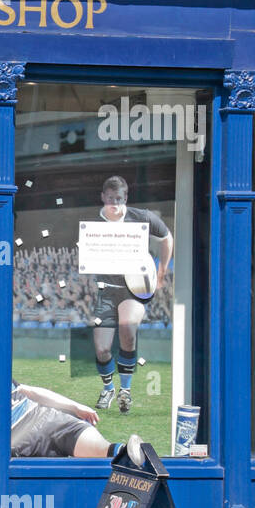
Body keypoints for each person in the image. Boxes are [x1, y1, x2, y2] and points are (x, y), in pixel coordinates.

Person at [89, 176, 174, 414]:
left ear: (125, 198)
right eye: (110, 198)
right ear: (103, 197)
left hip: (134, 288)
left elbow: (167, 237)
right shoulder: (94, 224)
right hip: (106, 289)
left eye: (119, 198)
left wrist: (162, 271)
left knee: (127, 327)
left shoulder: (143, 217)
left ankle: (125, 391)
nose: (114, 203)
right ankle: (108, 389)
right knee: (102, 349)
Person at [0, 346, 120, 458]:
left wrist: (75, 406)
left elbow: (32, 392)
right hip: (23, 445)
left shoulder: (0, 381)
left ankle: (133, 457)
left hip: (50, 421)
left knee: (103, 451)